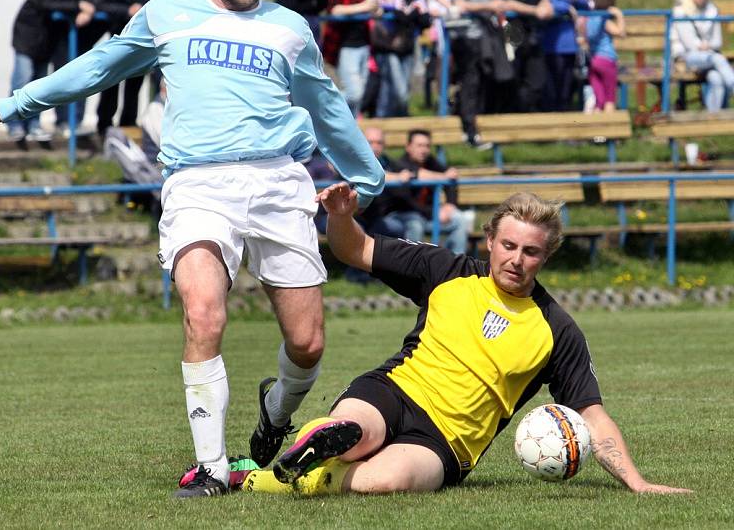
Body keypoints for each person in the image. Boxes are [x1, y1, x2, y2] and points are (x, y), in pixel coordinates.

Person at [0, 0, 384, 499]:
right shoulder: (168, 14)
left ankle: (275, 413)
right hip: (197, 183)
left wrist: (367, 180)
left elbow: (328, 109)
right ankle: (211, 466)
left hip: (277, 183)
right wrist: (20, 103)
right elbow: (100, 67)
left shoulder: (291, 28)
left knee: (308, 343)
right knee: (202, 313)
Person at [241, 189, 693, 496]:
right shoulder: (447, 271)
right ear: (490, 240)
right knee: (354, 433)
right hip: (394, 391)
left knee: (382, 482)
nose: (516, 260)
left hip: (446, 444)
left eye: (530, 252)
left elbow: (592, 413)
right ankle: (319, 444)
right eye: (509, 245)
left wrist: (636, 481)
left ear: (545, 256)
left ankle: (261, 480)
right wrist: (341, 216)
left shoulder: (557, 330)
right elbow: (354, 249)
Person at [7, 0, 95, 143]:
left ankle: (34, 125)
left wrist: (86, 11)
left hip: (48, 42)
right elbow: (46, 2)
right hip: (28, 37)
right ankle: (14, 124)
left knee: (39, 84)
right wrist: (77, 6)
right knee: (23, 79)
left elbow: (87, 0)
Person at [450, 0, 510, 138]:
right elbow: (459, 3)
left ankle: (480, 122)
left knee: (490, 78)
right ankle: (467, 127)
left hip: (487, 32)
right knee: (470, 81)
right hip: (467, 35)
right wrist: (488, 6)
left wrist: (497, 4)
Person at [80, 0, 142, 137]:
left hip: (122, 39)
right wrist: (125, 10)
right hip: (94, 40)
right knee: (109, 82)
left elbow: (135, 3)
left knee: (134, 78)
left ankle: (128, 123)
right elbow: (97, 3)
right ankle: (104, 125)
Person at [385, 129, 469, 255]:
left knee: (459, 219)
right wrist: (435, 212)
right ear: (408, 147)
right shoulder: (400, 164)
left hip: (428, 214)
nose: (424, 150)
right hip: (403, 214)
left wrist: (450, 205)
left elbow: (450, 180)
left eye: (427, 146)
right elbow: (407, 201)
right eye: (419, 145)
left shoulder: (430, 161)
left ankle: (454, 263)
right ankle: (412, 268)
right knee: (415, 224)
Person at [499, 0, 554, 113]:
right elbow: (507, 2)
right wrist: (534, 10)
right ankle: (513, 113)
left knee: (537, 77)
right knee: (514, 73)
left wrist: (545, 6)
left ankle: (527, 112)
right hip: (513, 29)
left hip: (534, 31)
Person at [324, 0, 379, 117]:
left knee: (359, 96)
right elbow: (334, 9)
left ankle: (351, 132)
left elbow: (372, 9)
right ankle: (321, 105)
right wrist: (365, 7)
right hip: (344, 45)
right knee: (355, 93)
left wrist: (376, 8)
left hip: (363, 44)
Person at [373, 0, 431, 117]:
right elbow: (402, 17)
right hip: (388, 47)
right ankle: (385, 120)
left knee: (399, 88)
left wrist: (412, 14)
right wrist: (415, 13)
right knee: (399, 91)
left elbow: (426, 21)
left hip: (407, 48)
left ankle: (394, 119)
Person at [671, 0, 734, 112]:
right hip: (686, 58)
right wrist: (707, 46)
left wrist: (708, 46)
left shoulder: (712, 10)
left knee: (716, 78)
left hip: (708, 58)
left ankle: (714, 121)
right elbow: (690, 45)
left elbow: (718, 42)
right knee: (717, 58)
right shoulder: (681, 11)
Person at [542, 0, 589, 111]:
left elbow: (586, 5)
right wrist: (568, 8)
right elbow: (549, 6)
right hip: (552, 47)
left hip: (569, 48)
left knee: (566, 88)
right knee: (552, 88)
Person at [585, 0, 625, 112]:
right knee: (610, 97)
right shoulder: (604, 20)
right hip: (606, 60)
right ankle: (610, 127)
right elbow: (621, 33)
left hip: (593, 60)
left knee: (599, 99)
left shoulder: (590, 19)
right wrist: (619, 16)